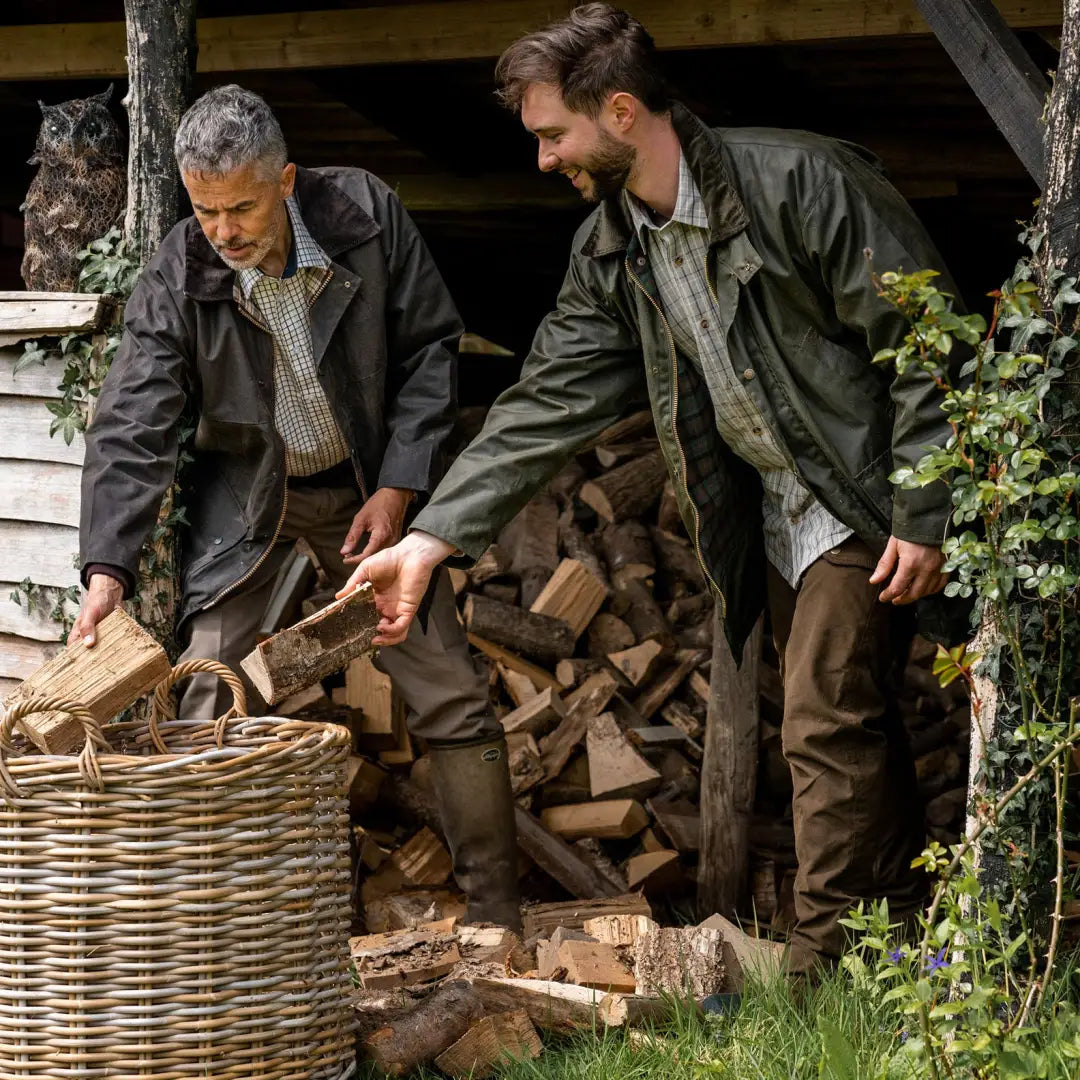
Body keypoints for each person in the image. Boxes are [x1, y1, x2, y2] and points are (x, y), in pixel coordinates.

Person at [342, 4, 962, 973]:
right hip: (782, 511)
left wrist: (924, 511)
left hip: (862, 494)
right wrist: (431, 541)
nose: (543, 160)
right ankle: (896, 940)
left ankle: (828, 961)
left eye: (554, 134)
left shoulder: (805, 182)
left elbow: (923, 342)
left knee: (823, 716)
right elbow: (546, 400)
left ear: (621, 111)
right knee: (855, 715)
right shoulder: (614, 250)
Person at [74, 84, 521, 931]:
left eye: (241, 206)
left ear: (285, 182)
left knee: (451, 693)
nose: (224, 231)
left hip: (370, 494)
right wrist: (107, 569)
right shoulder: (179, 269)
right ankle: (209, 930)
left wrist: (399, 487)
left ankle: (497, 918)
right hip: (253, 513)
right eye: (205, 211)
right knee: (207, 701)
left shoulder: (365, 214)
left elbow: (430, 350)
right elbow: (133, 424)